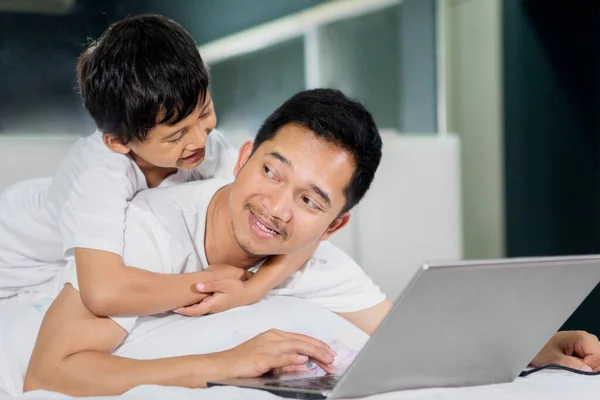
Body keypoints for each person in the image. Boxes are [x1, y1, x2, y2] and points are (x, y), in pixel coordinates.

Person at [24, 88, 393, 396]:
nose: (277, 209)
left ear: (333, 226)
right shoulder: (146, 231)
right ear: (243, 157)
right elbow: (48, 374)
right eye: (270, 172)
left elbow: (411, 341)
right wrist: (225, 365)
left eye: (309, 201)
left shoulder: (319, 263)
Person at [0, 14, 318, 318]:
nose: (198, 141)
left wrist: (252, 290)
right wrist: (207, 282)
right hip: (14, 255)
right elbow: (102, 293)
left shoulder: (210, 147)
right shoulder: (97, 172)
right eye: (176, 135)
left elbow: (310, 226)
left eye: (205, 112)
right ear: (118, 141)